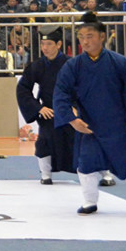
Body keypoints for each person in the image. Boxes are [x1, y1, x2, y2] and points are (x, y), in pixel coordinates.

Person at [53, 12, 126, 215]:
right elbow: (61, 94)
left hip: (123, 127)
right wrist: (72, 120)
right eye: (81, 37)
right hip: (91, 128)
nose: (85, 41)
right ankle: (90, 202)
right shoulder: (73, 66)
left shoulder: (120, 63)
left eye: (90, 36)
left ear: (102, 36)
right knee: (86, 163)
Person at [16, 29, 75, 184]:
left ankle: (105, 174)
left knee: (87, 141)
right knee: (44, 143)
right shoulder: (37, 66)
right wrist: (38, 108)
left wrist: (77, 108)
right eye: (43, 44)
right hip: (49, 111)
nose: (45, 48)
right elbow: (23, 89)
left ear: (59, 44)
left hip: (70, 112)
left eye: (49, 44)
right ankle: (46, 175)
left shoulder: (72, 64)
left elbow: (85, 87)